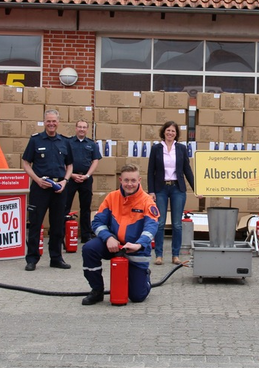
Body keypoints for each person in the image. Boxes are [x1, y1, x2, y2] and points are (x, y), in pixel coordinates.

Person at [81, 164, 159, 305]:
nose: (130, 184)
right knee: (89, 249)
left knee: (137, 297)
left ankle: (144, 276)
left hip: (136, 249)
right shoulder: (112, 197)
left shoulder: (147, 201)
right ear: (120, 180)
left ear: (139, 180)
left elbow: (151, 227)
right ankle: (97, 290)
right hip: (114, 244)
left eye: (133, 181)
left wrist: (139, 244)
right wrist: (109, 238)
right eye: (126, 180)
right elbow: (97, 222)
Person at [21, 109, 73, 271]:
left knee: (57, 225)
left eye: (54, 121)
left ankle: (56, 258)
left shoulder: (65, 142)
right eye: (48, 121)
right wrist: (36, 180)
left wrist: (65, 181)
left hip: (59, 189)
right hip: (40, 188)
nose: (51, 124)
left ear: (58, 122)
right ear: (44, 122)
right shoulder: (36, 140)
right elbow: (25, 163)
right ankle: (32, 259)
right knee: (36, 224)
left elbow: (70, 165)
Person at [147, 121, 195, 265]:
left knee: (177, 224)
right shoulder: (156, 148)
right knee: (160, 223)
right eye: (168, 130)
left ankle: (175, 255)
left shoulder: (181, 148)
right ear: (164, 132)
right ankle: (159, 255)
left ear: (176, 134)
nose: (170, 133)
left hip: (177, 188)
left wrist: (196, 188)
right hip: (160, 188)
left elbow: (187, 170)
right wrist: (151, 191)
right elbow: (151, 171)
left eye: (173, 131)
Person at [64, 119, 102, 242]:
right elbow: (63, 160)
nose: (81, 129)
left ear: (87, 129)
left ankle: (86, 235)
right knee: (65, 206)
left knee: (85, 207)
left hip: (86, 179)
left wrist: (87, 175)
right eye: (79, 127)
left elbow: (95, 161)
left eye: (84, 127)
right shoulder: (68, 142)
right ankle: (62, 234)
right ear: (76, 128)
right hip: (70, 178)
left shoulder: (92, 144)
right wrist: (72, 175)